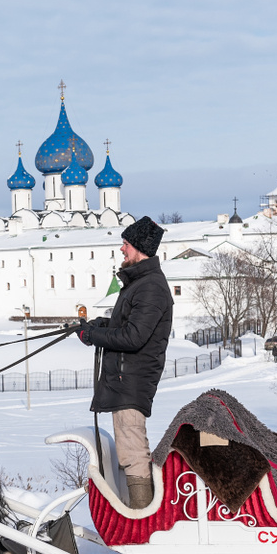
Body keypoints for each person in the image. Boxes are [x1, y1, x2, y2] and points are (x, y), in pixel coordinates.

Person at [76, 216, 173, 509]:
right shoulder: (139, 284)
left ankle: (142, 519)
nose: (122, 249)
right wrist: (99, 325)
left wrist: (94, 336)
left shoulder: (150, 287)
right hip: (124, 381)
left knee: (132, 451)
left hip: (131, 381)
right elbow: (128, 323)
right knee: (129, 450)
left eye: (126, 244)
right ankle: (139, 513)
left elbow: (134, 337)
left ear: (140, 248)